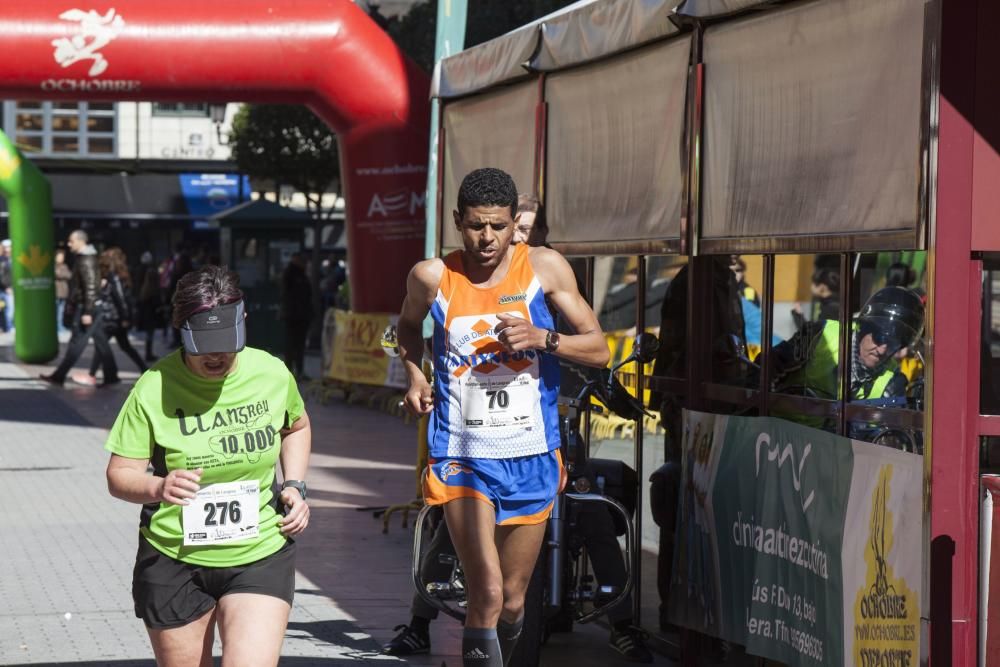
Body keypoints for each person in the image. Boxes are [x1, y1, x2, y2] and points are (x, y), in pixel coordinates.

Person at [385, 195, 652, 662]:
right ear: (457, 222)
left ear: (513, 225)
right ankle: (428, 622)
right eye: (474, 226)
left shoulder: (545, 269)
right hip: (462, 456)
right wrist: (416, 376)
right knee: (485, 593)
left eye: (498, 226)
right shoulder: (431, 276)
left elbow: (598, 349)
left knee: (512, 601)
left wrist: (542, 338)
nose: (486, 238)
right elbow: (406, 329)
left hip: (531, 453)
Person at [104, 264, 312, 667]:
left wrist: (296, 485)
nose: (217, 354)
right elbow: (118, 475)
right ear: (180, 329)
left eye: (227, 341)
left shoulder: (270, 372)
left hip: (259, 550)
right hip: (174, 555)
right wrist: (157, 488)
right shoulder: (153, 387)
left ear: (244, 323)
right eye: (204, 343)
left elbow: (296, 426)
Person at [772, 285, 925, 413]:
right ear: (863, 328)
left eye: (892, 344)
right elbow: (766, 368)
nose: (882, 350)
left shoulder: (892, 381)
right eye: (879, 338)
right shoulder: (819, 335)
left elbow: (892, 433)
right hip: (780, 440)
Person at [39, 230, 119, 387]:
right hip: (90, 306)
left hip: (86, 307)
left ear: (81, 241)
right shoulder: (85, 258)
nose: (69, 244)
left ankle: (59, 376)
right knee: (101, 341)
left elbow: (90, 286)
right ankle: (111, 375)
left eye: (71, 241)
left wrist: (87, 311)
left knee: (77, 342)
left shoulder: (86, 259)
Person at [76, 247, 148, 386]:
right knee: (124, 346)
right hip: (116, 318)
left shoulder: (113, 277)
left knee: (101, 346)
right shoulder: (116, 276)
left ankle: (94, 375)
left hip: (113, 318)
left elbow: (120, 298)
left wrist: (125, 317)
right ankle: (142, 370)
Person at [280, 252, 313, 379]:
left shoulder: (301, 274)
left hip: (299, 314)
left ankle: (298, 370)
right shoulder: (291, 274)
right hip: (294, 314)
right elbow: (290, 294)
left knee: (297, 344)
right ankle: (291, 369)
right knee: (293, 344)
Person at [135, 251, 162, 362]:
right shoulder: (152, 290)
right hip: (150, 309)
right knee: (150, 333)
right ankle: (148, 353)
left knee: (149, 332)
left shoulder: (139, 273)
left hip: (144, 306)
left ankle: (148, 353)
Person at [54, 248, 72, 335]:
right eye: (59, 257)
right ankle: (57, 326)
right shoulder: (53, 266)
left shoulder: (64, 266)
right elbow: (57, 274)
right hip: (56, 292)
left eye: (62, 257)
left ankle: (60, 325)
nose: (61, 259)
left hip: (63, 292)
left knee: (61, 311)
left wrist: (61, 274)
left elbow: (69, 275)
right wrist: (62, 275)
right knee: (56, 311)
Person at [0, 239, 11, 332]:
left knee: (8, 310)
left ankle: (7, 327)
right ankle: (7, 327)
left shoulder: (8, 260)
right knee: (7, 310)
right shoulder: (2, 261)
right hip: (4, 289)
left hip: (8, 289)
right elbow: (3, 276)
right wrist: (6, 286)